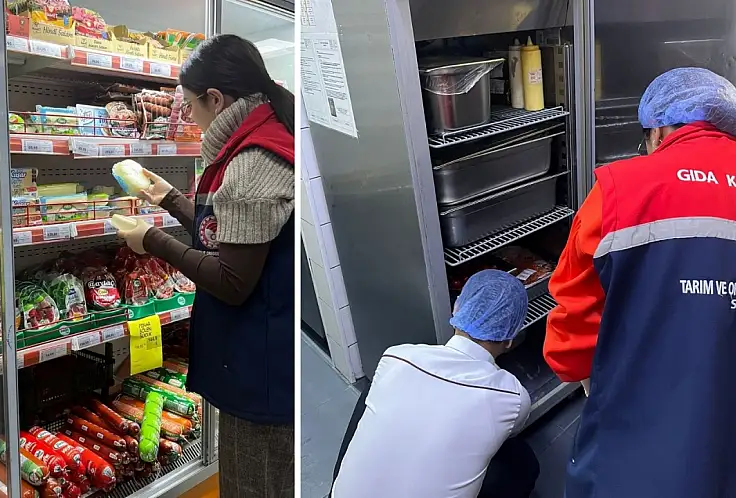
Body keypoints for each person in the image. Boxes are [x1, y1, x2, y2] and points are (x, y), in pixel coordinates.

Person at [544, 67, 736, 498]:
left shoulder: (620, 190)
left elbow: (570, 339)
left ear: (659, 130)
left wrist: (587, 373)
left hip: (641, 436)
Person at [116, 34, 295, 497]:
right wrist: (170, 199)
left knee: (254, 484)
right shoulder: (267, 131)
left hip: (261, 369)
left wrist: (151, 240)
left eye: (190, 105)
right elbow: (231, 231)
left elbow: (233, 280)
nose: (190, 118)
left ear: (216, 99)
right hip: (265, 352)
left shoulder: (252, 162)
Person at [331, 270, 538, 498]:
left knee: (371, 394)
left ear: (456, 309)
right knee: (522, 460)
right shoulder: (513, 397)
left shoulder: (396, 357)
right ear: (510, 340)